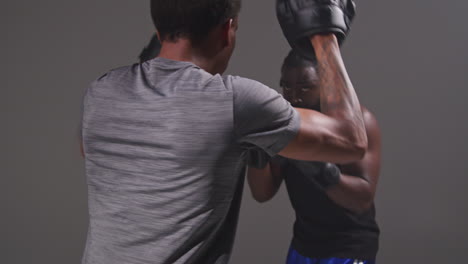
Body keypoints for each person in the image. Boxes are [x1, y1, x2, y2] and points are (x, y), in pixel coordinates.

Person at [80, 0, 367, 263]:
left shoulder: (102, 90)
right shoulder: (235, 102)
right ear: (228, 30)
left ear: (158, 31)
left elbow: (90, 149)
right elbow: (350, 140)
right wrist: (325, 38)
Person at [247, 50, 381, 264]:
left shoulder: (358, 122)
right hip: (304, 245)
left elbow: (361, 200)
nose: (294, 96)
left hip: (348, 248)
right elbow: (262, 193)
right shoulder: (286, 125)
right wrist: (256, 151)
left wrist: (313, 161)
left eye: (306, 87)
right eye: (287, 87)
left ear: (327, 84)